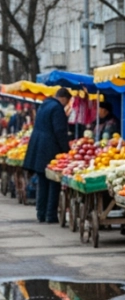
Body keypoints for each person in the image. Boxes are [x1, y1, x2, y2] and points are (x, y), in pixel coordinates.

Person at [24, 88, 70, 223]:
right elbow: (60, 131)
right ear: (64, 98)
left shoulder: (44, 105)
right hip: (50, 150)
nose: (66, 105)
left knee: (42, 183)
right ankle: (51, 215)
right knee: (53, 183)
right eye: (67, 102)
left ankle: (41, 212)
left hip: (38, 148)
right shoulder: (57, 108)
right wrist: (66, 151)